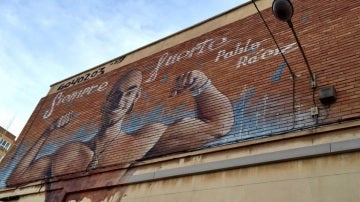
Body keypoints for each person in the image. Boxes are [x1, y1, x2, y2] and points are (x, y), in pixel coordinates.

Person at [6, 69, 234, 195]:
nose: (118, 102)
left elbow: (218, 125)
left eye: (128, 94)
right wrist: (47, 132)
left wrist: (202, 85)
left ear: (134, 102)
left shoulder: (143, 139)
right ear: (104, 102)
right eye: (115, 95)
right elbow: (15, 179)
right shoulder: (70, 151)